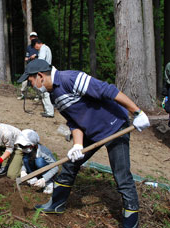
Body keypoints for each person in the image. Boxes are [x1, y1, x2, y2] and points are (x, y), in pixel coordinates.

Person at [18, 59, 150, 227]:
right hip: (91, 132)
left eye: (30, 81)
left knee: (122, 176)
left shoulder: (70, 79)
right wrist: (78, 145)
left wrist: (137, 112)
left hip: (115, 126)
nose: (31, 86)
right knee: (70, 165)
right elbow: (74, 121)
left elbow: (107, 90)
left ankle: (131, 223)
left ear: (40, 76)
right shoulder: (53, 96)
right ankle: (56, 204)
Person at [16, 129, 58, 194]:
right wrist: (23, 171)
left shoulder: (44, 152)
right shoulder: (27, 150)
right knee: (25, 159)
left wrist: (45, 179)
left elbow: (55, 167)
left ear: (32, 145)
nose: (22, 148)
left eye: (23, 146)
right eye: (20, 146)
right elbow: (24, 163)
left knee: (39, 161)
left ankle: (48, 182)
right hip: (35, 170)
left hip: (46, 171)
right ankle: (34, 177)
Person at [31, 39, 55, 118]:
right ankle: (48, 110)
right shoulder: (46, 48)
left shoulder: (43, 49)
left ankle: (49, 112)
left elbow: (41, 61)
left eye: (35, 47)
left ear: (37, 44)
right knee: (45, 92)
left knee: (45, 92)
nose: (36, 49)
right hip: (47, 71)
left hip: (44, 72)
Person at [17, 32, 39, 101]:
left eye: (34, 37)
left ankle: (37, 95)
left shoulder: (39, 46)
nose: (33, 38)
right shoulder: (28, 47)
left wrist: (36, 55)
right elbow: (27, 55)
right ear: (30, 38)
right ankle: (22, 94)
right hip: (29, 66)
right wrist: (26, 58)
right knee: (24, 81)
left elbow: (42, 54)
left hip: (37, 66)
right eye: (32, 37)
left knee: (36, 81)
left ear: (36, 38)